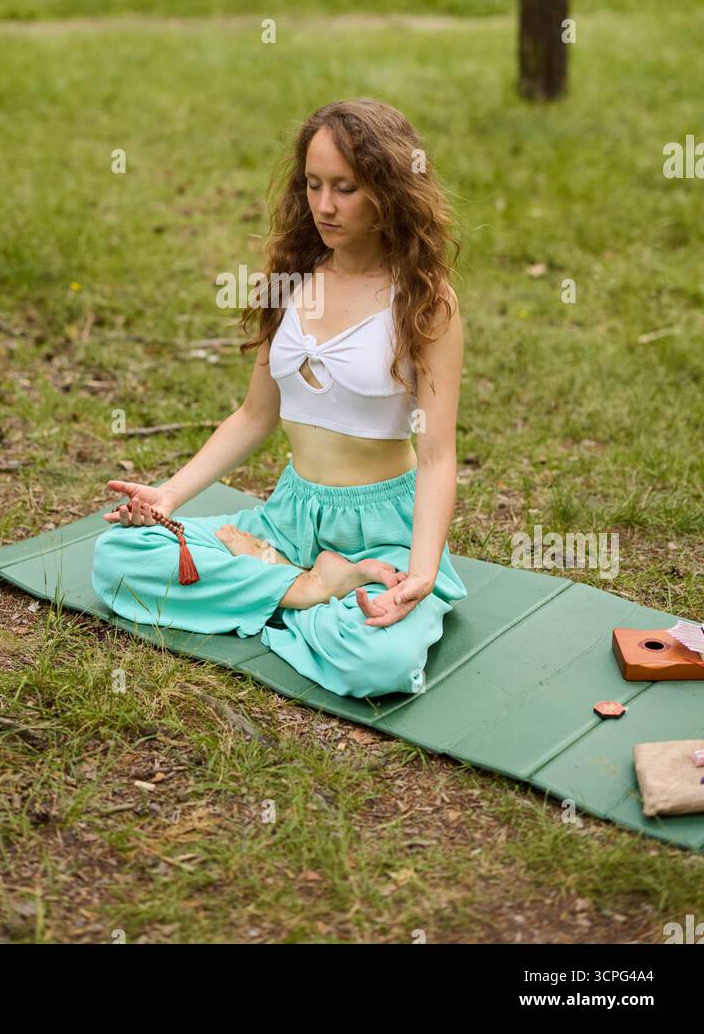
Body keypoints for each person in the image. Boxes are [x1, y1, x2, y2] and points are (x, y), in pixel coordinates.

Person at [91, 97, 467, 699]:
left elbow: (437, 457)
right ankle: (311, 590)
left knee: (380, 663)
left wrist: (420, 572)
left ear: (390, 189)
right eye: (314, 184)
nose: (324, 205)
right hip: (288, 519)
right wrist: (168, 495)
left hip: (382, 528)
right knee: (118, 558)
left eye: (346, 187)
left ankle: (285, 588)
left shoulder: (424, 298)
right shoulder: (293, 278)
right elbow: (254, 416)